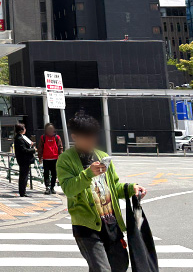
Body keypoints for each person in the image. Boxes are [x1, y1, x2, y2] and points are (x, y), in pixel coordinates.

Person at [58, 110, 147, 272]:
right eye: (86, 137)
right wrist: (88, 174)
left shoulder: (102, 156)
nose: (91, 141)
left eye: (93, 136)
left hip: (111, 223)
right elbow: (69, 189)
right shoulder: (66, 159)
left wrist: (130, 188)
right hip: (87, 227)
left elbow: (114, 187)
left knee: (120, 265)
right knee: (102, 269)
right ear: (75, 137)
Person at [38, 123, 64, 195]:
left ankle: (52, 187)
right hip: (46, 159)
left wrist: (61, 157)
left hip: (55, 158)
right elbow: (40, 148)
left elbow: (60, 147)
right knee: (46, 174)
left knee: (54, 174)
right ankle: (47, 187)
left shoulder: (57, 137)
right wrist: (40, 157)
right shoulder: (43, 137)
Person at [14, 123, 36, 197]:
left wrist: (30, 145)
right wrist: (33, 150)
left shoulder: (21, 137)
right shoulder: (19, 139)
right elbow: (24, 150)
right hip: (23, 159)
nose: (25, 129)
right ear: (21, 130)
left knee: (25, 175)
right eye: (24, 128)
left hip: (25, 159)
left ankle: (23, 191)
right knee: (24, 176)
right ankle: (22, 192)